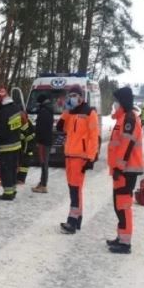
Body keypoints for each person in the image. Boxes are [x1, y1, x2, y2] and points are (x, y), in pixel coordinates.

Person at [106, 86, 144, 253]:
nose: (114, 104)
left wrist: (119, 168)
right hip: (122, 169)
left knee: (123, 205)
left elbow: (126, 146)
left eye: (116, 101)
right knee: (118, 204)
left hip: (126, 170)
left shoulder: (129, 119)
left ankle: (125, 243)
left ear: (122, 101)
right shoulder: (123, 118)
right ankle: (121, 237)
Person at [57, 89, 99, 234]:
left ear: (81, 97)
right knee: (73, 188)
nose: (72, 98)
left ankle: (72, 221)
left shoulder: (89, 113)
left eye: (74, 96)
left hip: (80, 157)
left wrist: (91, 157)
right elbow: (60, 127)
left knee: (75, 189)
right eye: (70, 96)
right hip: (69, 155)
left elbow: (94, 137)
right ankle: (78, 217)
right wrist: (67, 110)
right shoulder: (71, 112)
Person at [0, 88, 23, 201]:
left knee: (6, 170)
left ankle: (8, 193)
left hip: (7, 146)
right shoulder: (16, 108)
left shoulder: (4, 112)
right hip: (16, 144)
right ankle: (13, 189)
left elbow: (1, 130)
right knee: (12, 168)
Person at [32, 94, 54, 193]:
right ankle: (42, 183)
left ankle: (43, 185)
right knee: (44, 162)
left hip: (43, 141)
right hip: (46, 140)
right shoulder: (48, 110)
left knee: (44, 163)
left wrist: (38, 140)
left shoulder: (44, 111)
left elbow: (41, 128)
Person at [16, 112, 36, 185]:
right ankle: (18, 178)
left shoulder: (28, 126)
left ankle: (21, 179)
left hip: (28, 148)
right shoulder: (24, 124)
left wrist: (22, 137)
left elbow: (29, 138)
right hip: (23, 147)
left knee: (24, 164)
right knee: (20, 163)